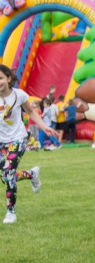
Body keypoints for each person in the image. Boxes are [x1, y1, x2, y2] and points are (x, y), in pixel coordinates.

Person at [0, 65, 56, 223]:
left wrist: (44, 126)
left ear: (8, 79)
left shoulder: (19, 95)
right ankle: (32, 174)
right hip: (1, 142)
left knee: (8, 173)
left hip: (17, 139)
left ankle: (11, 212)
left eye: (1, 78)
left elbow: (31, 112)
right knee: (6, 176)